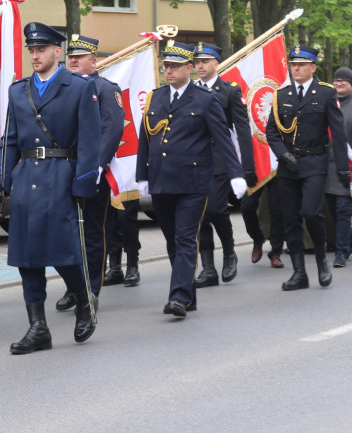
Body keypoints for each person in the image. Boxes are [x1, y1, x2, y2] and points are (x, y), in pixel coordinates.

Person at [0, 23, 101, 354]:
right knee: (27, 256)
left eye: (41, 50)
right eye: (31, 50)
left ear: (57, 51)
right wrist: (1, 179)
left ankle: (83, 300)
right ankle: (38, 327)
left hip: (61, 176)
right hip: (26, 179)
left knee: (64, 251)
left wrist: (83, 182)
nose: (35, 55)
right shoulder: (18, 90)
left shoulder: (79, 87)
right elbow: (9, 139)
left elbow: (91, 141)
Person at [136, 41, 246, 317]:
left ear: (188, 68)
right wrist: (142, 175)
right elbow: (145, 139)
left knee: (186, 238)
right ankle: (189, 296)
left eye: (174, 66)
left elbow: (223, 140)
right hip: (161, 181)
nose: (168, 71)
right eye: (166, 66)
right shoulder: (155, 98)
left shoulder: (206, 99)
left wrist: (236, 175)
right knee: (173, 240)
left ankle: (178, 297)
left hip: (192, 183)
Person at [51, 34, 125, 314]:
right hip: (62, 171)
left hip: (92, 173)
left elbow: (112, 128)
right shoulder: (62, 88)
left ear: (93, 61)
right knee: (67, 234)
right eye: (70, 56)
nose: (72, 60)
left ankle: (91, 289)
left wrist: (97, 166)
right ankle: (74, 287)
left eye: (79, 57)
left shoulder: (106, 89)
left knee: (92, 233)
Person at [266, 44, 349, 289]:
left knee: (311, 212)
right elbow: (272, 131)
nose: (296, 68)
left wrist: (343, 167)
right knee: (290, 218)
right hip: (288, 165)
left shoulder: (325, 93)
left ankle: (322, 260)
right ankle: (299, 273)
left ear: (313, 67)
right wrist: (282, 154)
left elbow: (338, 132)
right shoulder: (281, 95)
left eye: (301, 64)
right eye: (293, 65)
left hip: (315, 162)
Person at [191, 42, 257, 287]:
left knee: (216, 209)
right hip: (195, 160)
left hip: (220, 158)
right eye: (197, 62)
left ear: (216, 64)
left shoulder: (229, 90)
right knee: (199, 215)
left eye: (205, 61)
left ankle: (229, 251)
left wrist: (245, 168)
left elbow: (242, 130)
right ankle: (208, 269)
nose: (200, 66)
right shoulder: (190, 90)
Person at [324, 66, 352, 267]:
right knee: (332, 211)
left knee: (342, 211)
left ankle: (341, 252)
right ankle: (349, 242)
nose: (339, 83)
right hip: (326, 168)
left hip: (349, 168)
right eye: (336, 80)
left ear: (351, 84)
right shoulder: (326, 104)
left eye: (344, 81)